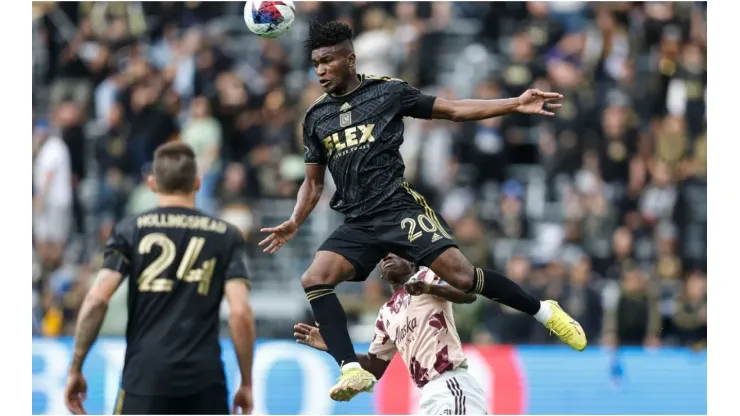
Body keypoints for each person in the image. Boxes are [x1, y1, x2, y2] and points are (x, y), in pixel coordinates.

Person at [260, 21, 587, 401]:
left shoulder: (388, 93)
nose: (319, 70)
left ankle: (544, 311)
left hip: (397, 208)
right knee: (315, 277)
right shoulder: (316, 118)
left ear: (350, 59)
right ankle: (350, 368)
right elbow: (313, 183)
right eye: (315, 63)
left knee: (464, 279)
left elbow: (453, 110)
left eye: (327, 61)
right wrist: (294, 222)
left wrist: (514, 103)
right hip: (358, 221)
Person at [64, 142, 255, 415]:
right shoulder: (226, 236)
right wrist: (247, 382)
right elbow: (240, 311)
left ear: (152, 183)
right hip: (204, 380)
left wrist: (76, 366)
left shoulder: (130, 229)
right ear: (198, 183)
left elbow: (96, 299)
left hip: (144, 377)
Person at [295, 254, 489, 414]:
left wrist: (430, 288)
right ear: (381, 274)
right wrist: (333, 346)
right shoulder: (386, 314)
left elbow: (468, 294)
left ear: (412, 262)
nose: (387, 256)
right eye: (382, 256)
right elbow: (374, 367)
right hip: (428, 395)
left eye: (395, 252)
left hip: (451, 383)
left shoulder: (427, 277)